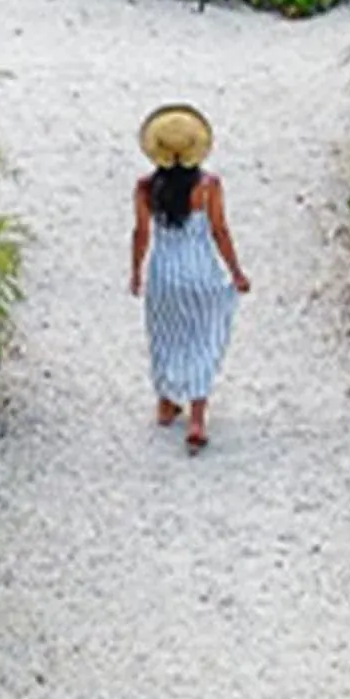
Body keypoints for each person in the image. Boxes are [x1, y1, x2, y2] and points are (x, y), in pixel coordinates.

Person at [130, 103, 251, 453]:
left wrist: (136, 272)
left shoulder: (145, 189)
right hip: (201, 273)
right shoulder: (209, 186)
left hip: (164, 275)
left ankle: (167, 401)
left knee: (165, 336)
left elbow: (141, 234)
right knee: (202, 337)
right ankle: (197, 417)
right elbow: (220, 231)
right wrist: (236, 272)